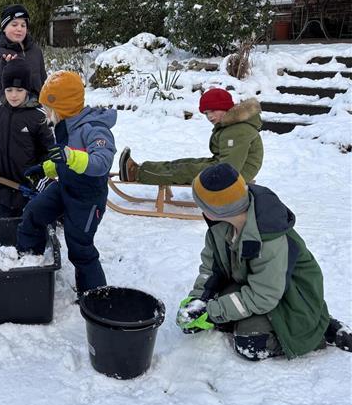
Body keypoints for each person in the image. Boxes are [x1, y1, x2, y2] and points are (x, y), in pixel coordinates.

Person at [176, 163, 352, 360]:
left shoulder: (268, 239)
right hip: (255, 286)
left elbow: (263, 295)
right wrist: (199, 300)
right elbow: (210, 267)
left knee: (250, 345)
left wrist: (211, 312)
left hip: (291, 297)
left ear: (213, 210)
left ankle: (319, 329)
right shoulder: (220, 227)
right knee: (220, 318)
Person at [17, 71, 117, 297]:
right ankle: (29, 263)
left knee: (80, 248)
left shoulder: (95, 128)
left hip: (88, 199)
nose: (44, 112)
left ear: (61, 106)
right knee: (33, 212)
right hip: (65, 188)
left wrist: (70, 156)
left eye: (47, 108)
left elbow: (101, 163)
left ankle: (94, 296)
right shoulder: (64, 125)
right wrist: (45, 169)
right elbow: (63, 159)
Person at [119, 88, 263, 185]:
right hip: (229, 168)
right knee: (186, 162)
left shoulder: (237, 131)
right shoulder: (234, 125)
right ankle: (140, 168)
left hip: (236, 176)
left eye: (212, 111)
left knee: (185, 171)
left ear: (225, 107)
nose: (209, 116)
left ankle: (137, 173)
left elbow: (230, 169)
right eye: (206, 113)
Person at [0, 58, 55, 218]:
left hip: (33, 193)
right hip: (4, 192)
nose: (14, 95)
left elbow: (52, 151)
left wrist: (40, 179)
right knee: (1, 235)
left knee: (34, 234)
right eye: (9, 90)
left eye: (19, 90)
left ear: (27, 90)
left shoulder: (39, 116)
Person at [0, 4, 47, 101]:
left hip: (35, 109)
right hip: (7, 111)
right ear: (4, 28)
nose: (19, 29)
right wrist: (4, 66)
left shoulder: (36, 51)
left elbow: (44, 83)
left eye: (23, 25)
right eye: (14, 24)